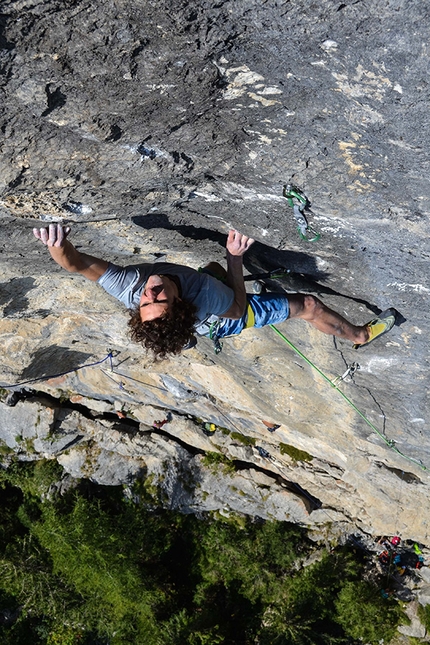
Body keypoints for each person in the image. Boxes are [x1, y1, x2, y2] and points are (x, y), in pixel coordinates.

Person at [33, 223, 396, 359]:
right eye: (158, 300)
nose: (151, 292)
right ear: (180, 305)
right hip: (226, 317)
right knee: (307, 305)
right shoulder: (207, 300)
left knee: (210, 271)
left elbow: (76, 264)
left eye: (147, 300)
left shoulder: (131, 288)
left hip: (206, 294)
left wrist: (56, 244)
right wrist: (235, 256)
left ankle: (187, 332)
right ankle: (360, 336)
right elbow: (238, 307)